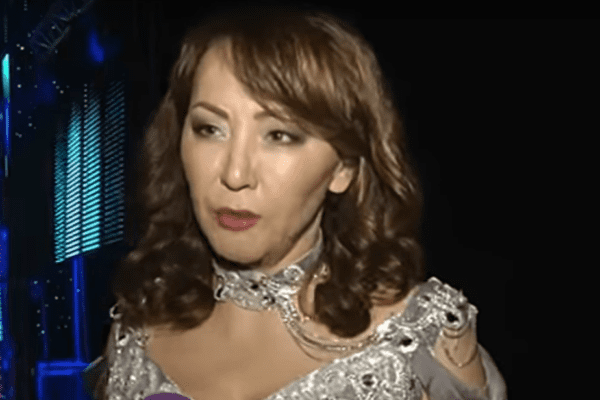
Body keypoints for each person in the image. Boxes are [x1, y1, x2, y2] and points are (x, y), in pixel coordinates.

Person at [82, 5, 507, 400]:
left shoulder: (420, 339)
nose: (235, 174)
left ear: (343, 168)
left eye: (280, 135)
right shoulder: (136, 329)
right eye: (210, 129)